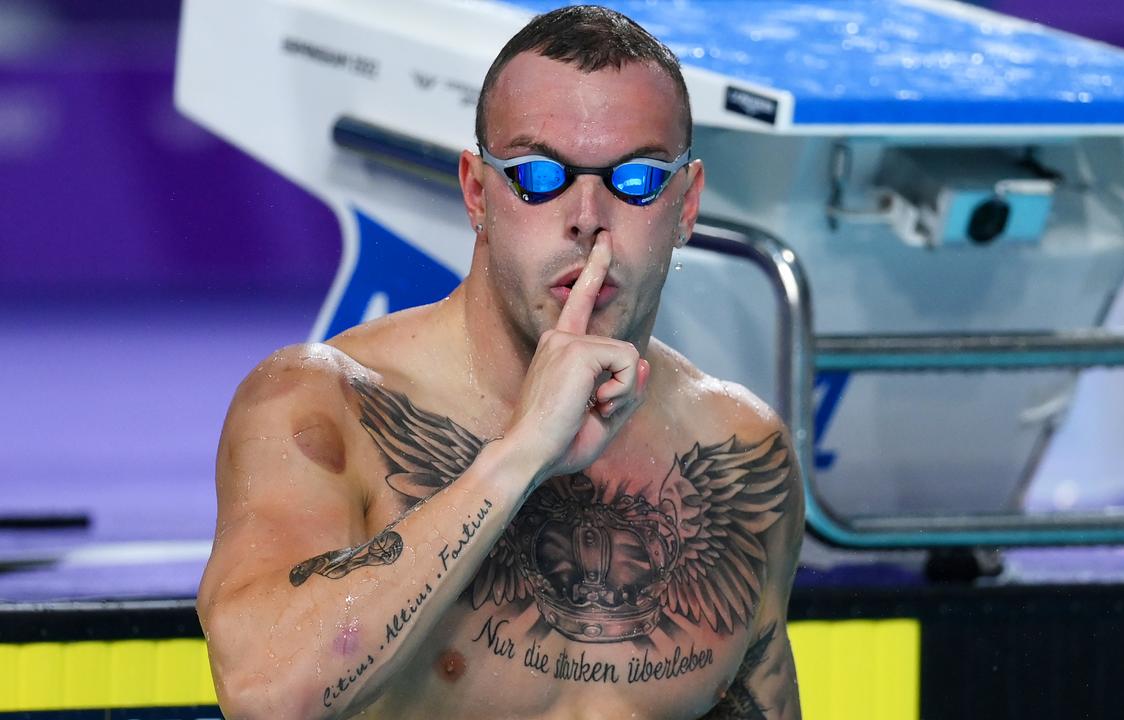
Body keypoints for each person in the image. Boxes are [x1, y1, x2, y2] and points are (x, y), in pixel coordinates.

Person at [197, 5, 804, 718]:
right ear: (476, 193)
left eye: (635, 178)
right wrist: (519, 455)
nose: (586, 216)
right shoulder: (323, 406)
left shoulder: (736, 447)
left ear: (687, 204)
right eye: (538, 174)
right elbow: (264, 694)